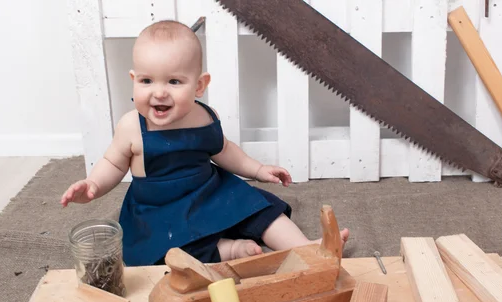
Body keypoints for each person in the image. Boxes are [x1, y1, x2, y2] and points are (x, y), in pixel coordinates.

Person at [60, 20, 349, 266]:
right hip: (159, 209)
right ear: (133, 80)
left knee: (261, 209)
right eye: (147, 81)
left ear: (199, 85)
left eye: (174, 82)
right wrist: (93, 185)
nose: (159, 92)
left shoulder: (204, 117)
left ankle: (305, 248)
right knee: (165, 254)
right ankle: (228, 249)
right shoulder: (131, 127)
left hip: (209, 191)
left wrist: (258, 169)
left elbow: (223, 150)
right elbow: (113, 162)